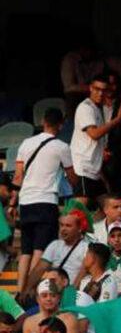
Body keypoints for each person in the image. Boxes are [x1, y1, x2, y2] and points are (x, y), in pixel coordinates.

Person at [13, 108, 78, 299]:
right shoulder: (61, 147)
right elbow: (72, 177)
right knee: (39, 249)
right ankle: (30, 292)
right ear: (61, 124)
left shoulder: (26, 143)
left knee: (25, 249)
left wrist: (13, 200)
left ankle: (19, 290)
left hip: (26, 201)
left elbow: (18, 176)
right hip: (46, 201)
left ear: (43, 121)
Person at [70, 74, 121, 203]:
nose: (100, 93)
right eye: (97, 89)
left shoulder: (98, 109)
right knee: (78, 212)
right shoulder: (85, 107)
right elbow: (94, 134)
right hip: (83, 168)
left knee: (107, 209)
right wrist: (118, 120)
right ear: (90, 88)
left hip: (95, 169)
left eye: (104, 90)